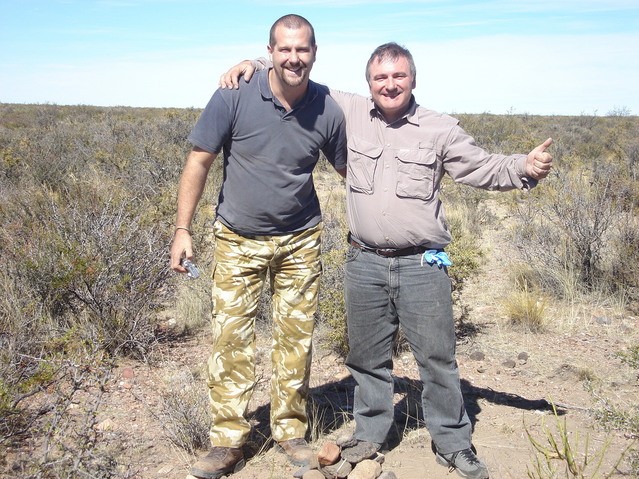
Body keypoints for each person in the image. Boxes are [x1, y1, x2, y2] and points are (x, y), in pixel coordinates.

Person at [220, 42, 552, 479]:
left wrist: (524, 167)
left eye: (398, 76)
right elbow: (298, 74)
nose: (390, 85)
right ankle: (370, 435)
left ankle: (452, 443)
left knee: (436, 358)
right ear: (369, 83)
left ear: (413, 79)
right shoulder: (348, 110)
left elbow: (482, 168)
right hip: (364, 262)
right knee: (367, 358)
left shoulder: (440, 128)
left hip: (423, 264)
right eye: (381, 77)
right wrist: (255, 64)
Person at [170, 14, 347, 479]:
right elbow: (200, 160)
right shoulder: (235, 92)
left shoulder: (327, 108)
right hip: (237, 238)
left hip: (300, 240)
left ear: (314, 51)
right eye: (284, 49)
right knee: (231, 341)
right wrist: (182, 229)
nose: (294, 57)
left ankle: (290, 431)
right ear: (270, 51)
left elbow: (353, 172)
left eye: (302, 49)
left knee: (296, 340)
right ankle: (227, 442)